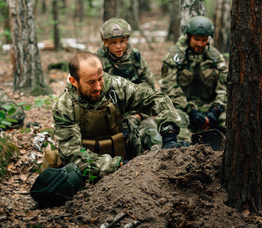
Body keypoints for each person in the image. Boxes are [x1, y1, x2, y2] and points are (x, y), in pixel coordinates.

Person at [52, 51, 182, 179]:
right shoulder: (65, 106)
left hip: (129, 155)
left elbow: (156, 99)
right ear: (73, 81)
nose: (98, 87)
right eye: (91, 82)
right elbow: (72, 154)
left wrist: (169, 133)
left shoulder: (116, 87)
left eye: (100, 79)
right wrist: (117, 166)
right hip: (92, 170)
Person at [95, 17, 162, 151]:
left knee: (155, 141)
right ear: (105, 42)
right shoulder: (96, 61)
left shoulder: (136, 59)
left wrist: (139, 114)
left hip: (139, 113)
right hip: (111, 117)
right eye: (113, 42)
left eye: (122, 41)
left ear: (127, 40)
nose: (119, 46)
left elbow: (148, 88)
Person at [159, 16, 228, 143]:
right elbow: (169, 87)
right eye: (196, 39)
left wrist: (216, 109)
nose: (200, 44)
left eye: (204, 40)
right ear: (188, 36)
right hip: (183, 108)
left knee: (232, 120)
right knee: (175, 121)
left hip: (210, 107)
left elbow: (224, 87)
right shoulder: (174, 57)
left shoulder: (215, 57)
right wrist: (191, 111)